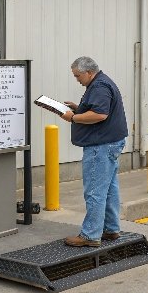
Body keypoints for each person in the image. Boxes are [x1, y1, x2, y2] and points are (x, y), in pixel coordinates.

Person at [60, 57, 128, 247]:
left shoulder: (99, 87)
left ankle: (90, 235)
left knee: (95, 191)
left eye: (78, 76)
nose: (77, 80)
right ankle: (111, 229)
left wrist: (74, 117)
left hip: (101, 146)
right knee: (109, 188)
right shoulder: (102, 82)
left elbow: (100, 114)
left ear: (88, 72)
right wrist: (79, 108)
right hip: (112, 143)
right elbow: (98, 109)